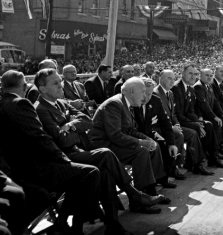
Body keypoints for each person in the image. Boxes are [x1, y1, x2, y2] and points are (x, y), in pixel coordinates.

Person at [34, 68, 163, 227]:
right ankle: (135, 195)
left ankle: (113, 225)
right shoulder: (40, 109)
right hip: (66, 157)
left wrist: (70, 126)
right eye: (56, 83)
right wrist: (75, 127)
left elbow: (88, 120)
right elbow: (63, 141)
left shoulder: (60, 103)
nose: (61, 86)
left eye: (60, 82)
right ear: (42, 89)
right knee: (108, 154)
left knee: (107, 173)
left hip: (79, 151)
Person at [0, 70, 102, 235]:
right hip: (35, 169)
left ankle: (62, 223)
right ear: (24, 86)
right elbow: (40, 138)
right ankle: (75, 226)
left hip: (15, 168)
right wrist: (63, 159)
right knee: (90, 173)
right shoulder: (21, 104)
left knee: (79, 175)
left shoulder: (3, 104)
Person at [88, 77, 167, 198]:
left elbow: (130, 130)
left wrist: (147, 139)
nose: (144, 97)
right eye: (142, 92)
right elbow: (114, 135)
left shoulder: (125, 103)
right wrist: (141, 142)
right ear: (132, 92)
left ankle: (151, 190)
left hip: (114, 143)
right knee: (141, 152)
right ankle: (139, 198)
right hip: (104, 145)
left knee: (153, 146)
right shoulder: (114, 104)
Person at [155, 70, 213, 176]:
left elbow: (173, 114)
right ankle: (174, 167)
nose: (172, 81)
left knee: (192, 133)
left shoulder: (170, 93)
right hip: (161, 128)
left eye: (173, 78)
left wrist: (176, 124)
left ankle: (197, 164)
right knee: (180, 134)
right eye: (169, 78)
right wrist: (173, 127)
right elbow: (160, 118)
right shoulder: (156, 93)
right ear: (161, 78)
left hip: (173, 124)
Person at [133, 78, 178, 191]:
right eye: (144, 93)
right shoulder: (132, 102)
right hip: (135, 136)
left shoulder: (155, 100)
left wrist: (171, 143)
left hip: (148, 132)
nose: (146, 97)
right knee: (153, 147)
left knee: (164, 143)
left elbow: (165, 121)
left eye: (149, 93)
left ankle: (162, 178)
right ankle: (149, 186)